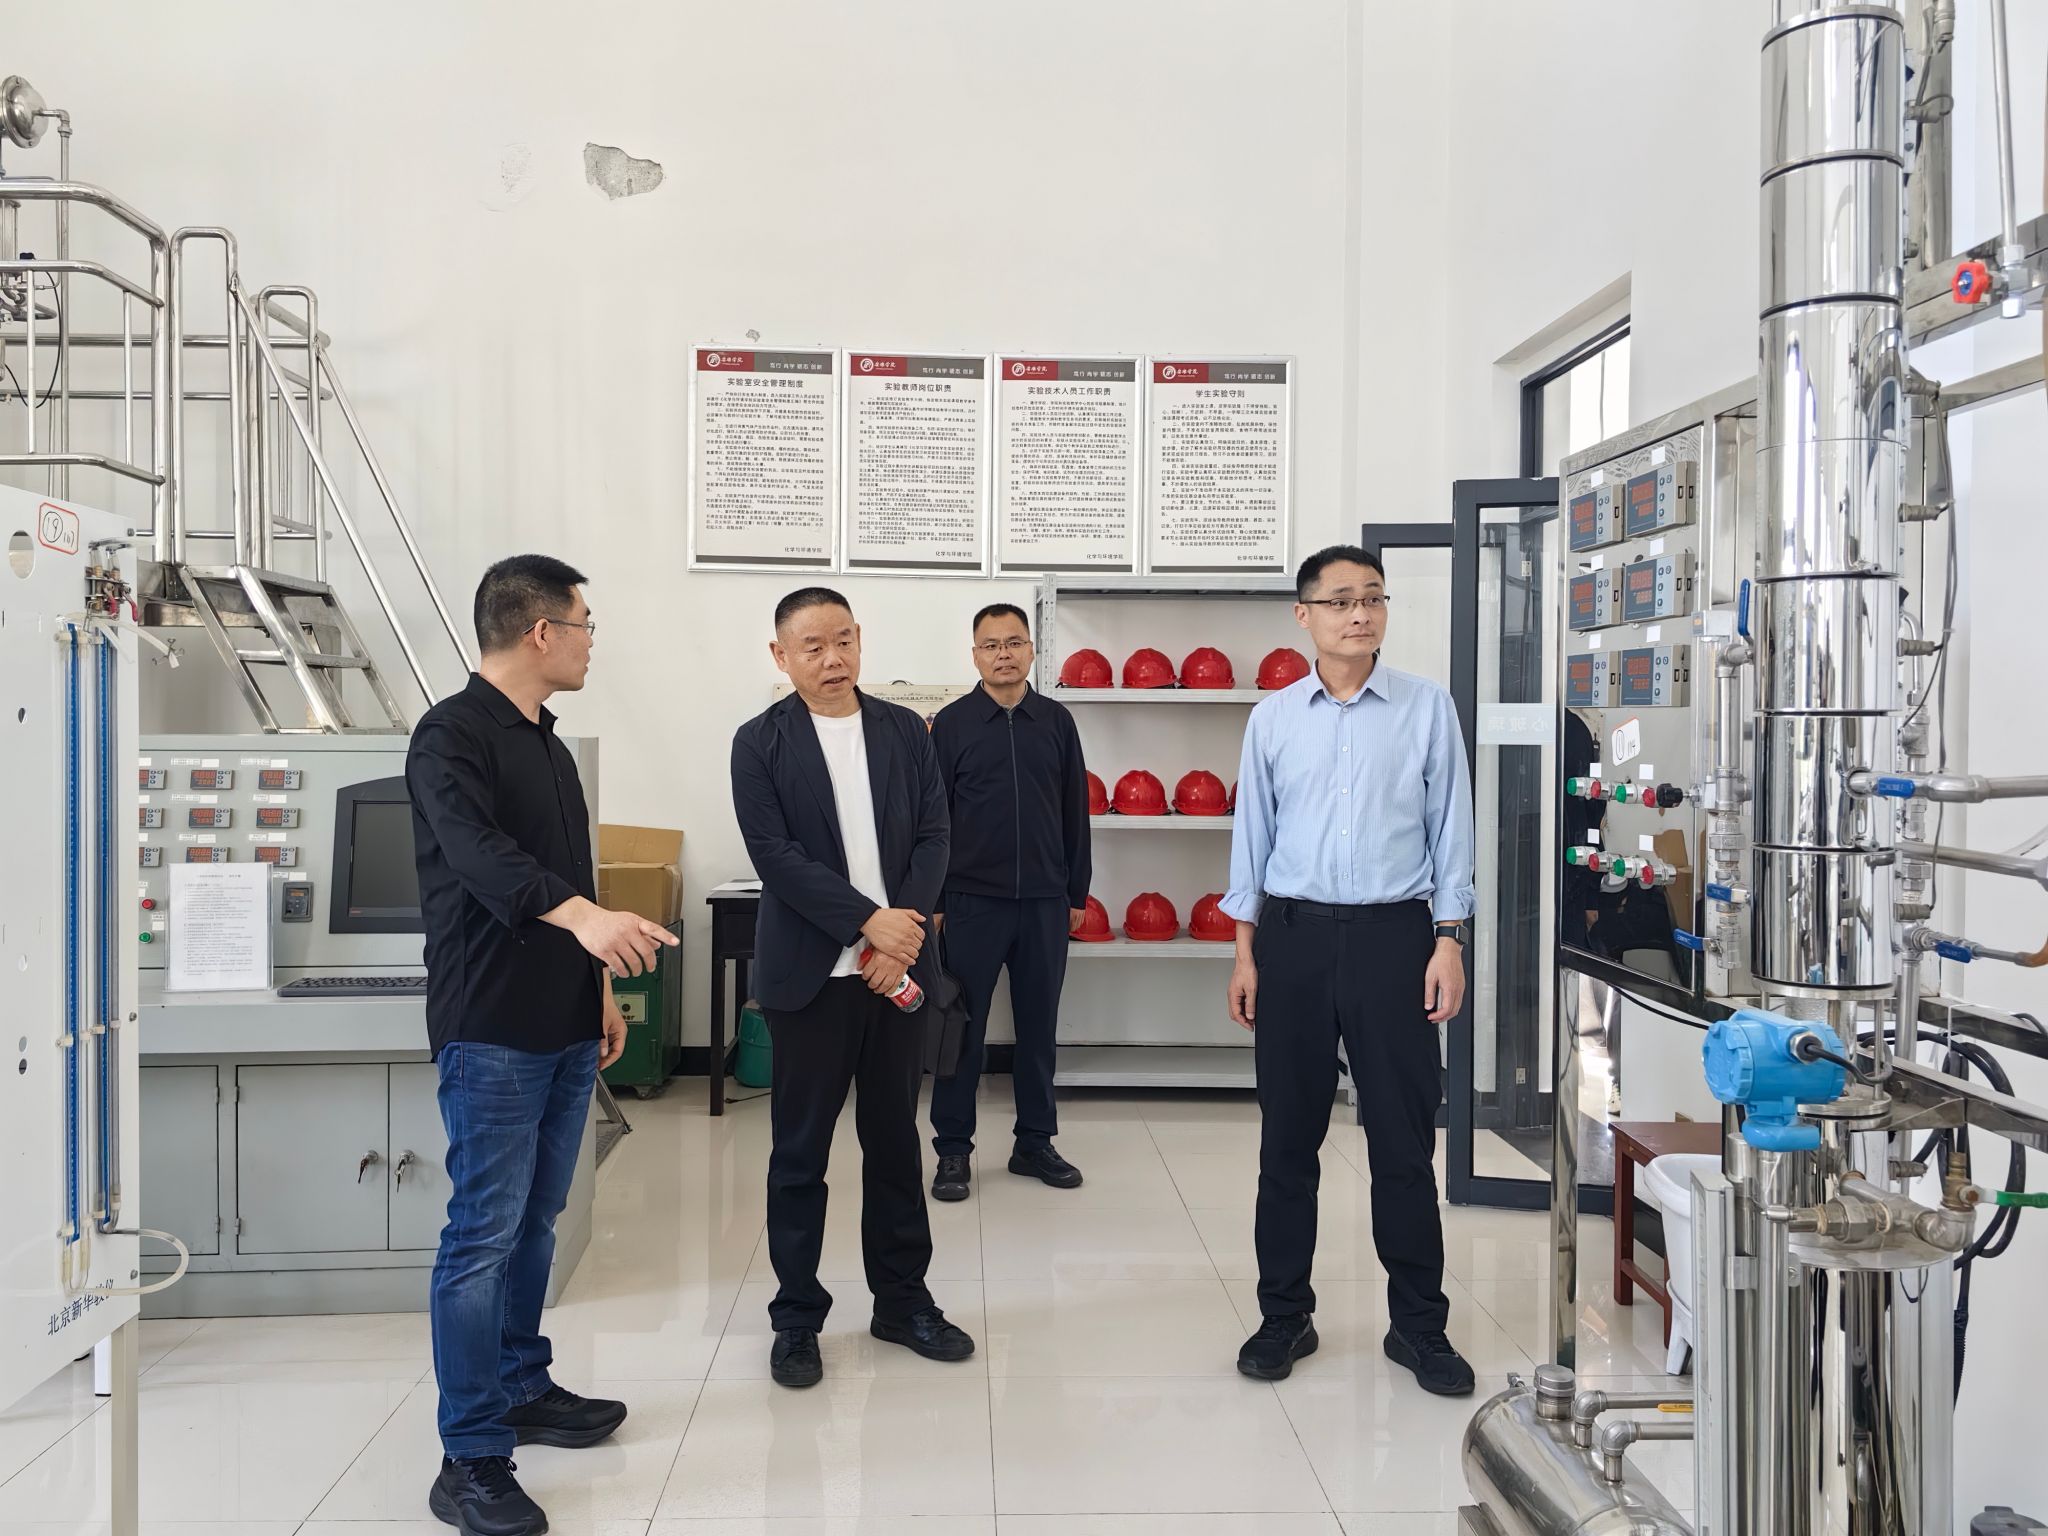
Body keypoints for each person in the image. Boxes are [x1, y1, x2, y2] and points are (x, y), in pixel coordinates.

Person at [407, 555, 679, 1536]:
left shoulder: (552, 748)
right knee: (481, 1235)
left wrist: (598, 986)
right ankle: (470, 1456)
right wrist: (586, 924)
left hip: (564, 1021)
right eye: (584, 624)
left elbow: (575, 880)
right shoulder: (450, 735)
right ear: (539, 632)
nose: (591, 642)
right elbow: (485, 862)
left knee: (535, 1222)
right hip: (491, 1027)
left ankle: (521, 1385)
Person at [1221, 543, 1478, 1395]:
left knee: (1402, 1143)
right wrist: (1245, 952)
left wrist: (1449, 940)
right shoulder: (1272, 719)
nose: (1359, 614)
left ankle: (1419, 1326)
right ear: (1304, 616)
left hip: (1394, 939)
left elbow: (1452, 831)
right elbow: (1251, 843)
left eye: (1372, 597)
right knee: (1287, 1142)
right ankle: (1284, 1316)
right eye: (1339, 601)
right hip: (1292, 939)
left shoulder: (1426, 708)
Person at [730, 587, 976, 1389]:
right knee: (800, 1154)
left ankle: (902, 1302)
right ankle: (797, 1318)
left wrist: (901, 940)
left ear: (860, 640)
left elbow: (936, 835)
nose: (832, 659)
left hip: (893, 976)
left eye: (844, 641)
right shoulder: (758, 743)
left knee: (895, 1145)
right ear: (781, 657)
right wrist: (870, 924)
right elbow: (775, 857)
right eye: (813, 647)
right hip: (813, 980)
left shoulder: (905, 731)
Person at [927, 603, 1092, 1200]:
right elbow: (933, 820)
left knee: (1039, 1029)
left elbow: (1075, 810)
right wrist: (935, 900)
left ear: (1031, 650)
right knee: (961, 1031)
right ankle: (952, 1149)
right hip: (971, 903)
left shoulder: (1056, 721)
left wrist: (1076, 891)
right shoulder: (951, 725)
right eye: (991, 645)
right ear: (975, 655)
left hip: (1045, 902)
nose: (1004, 654)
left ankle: (1034, 1143)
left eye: (1014, 642)